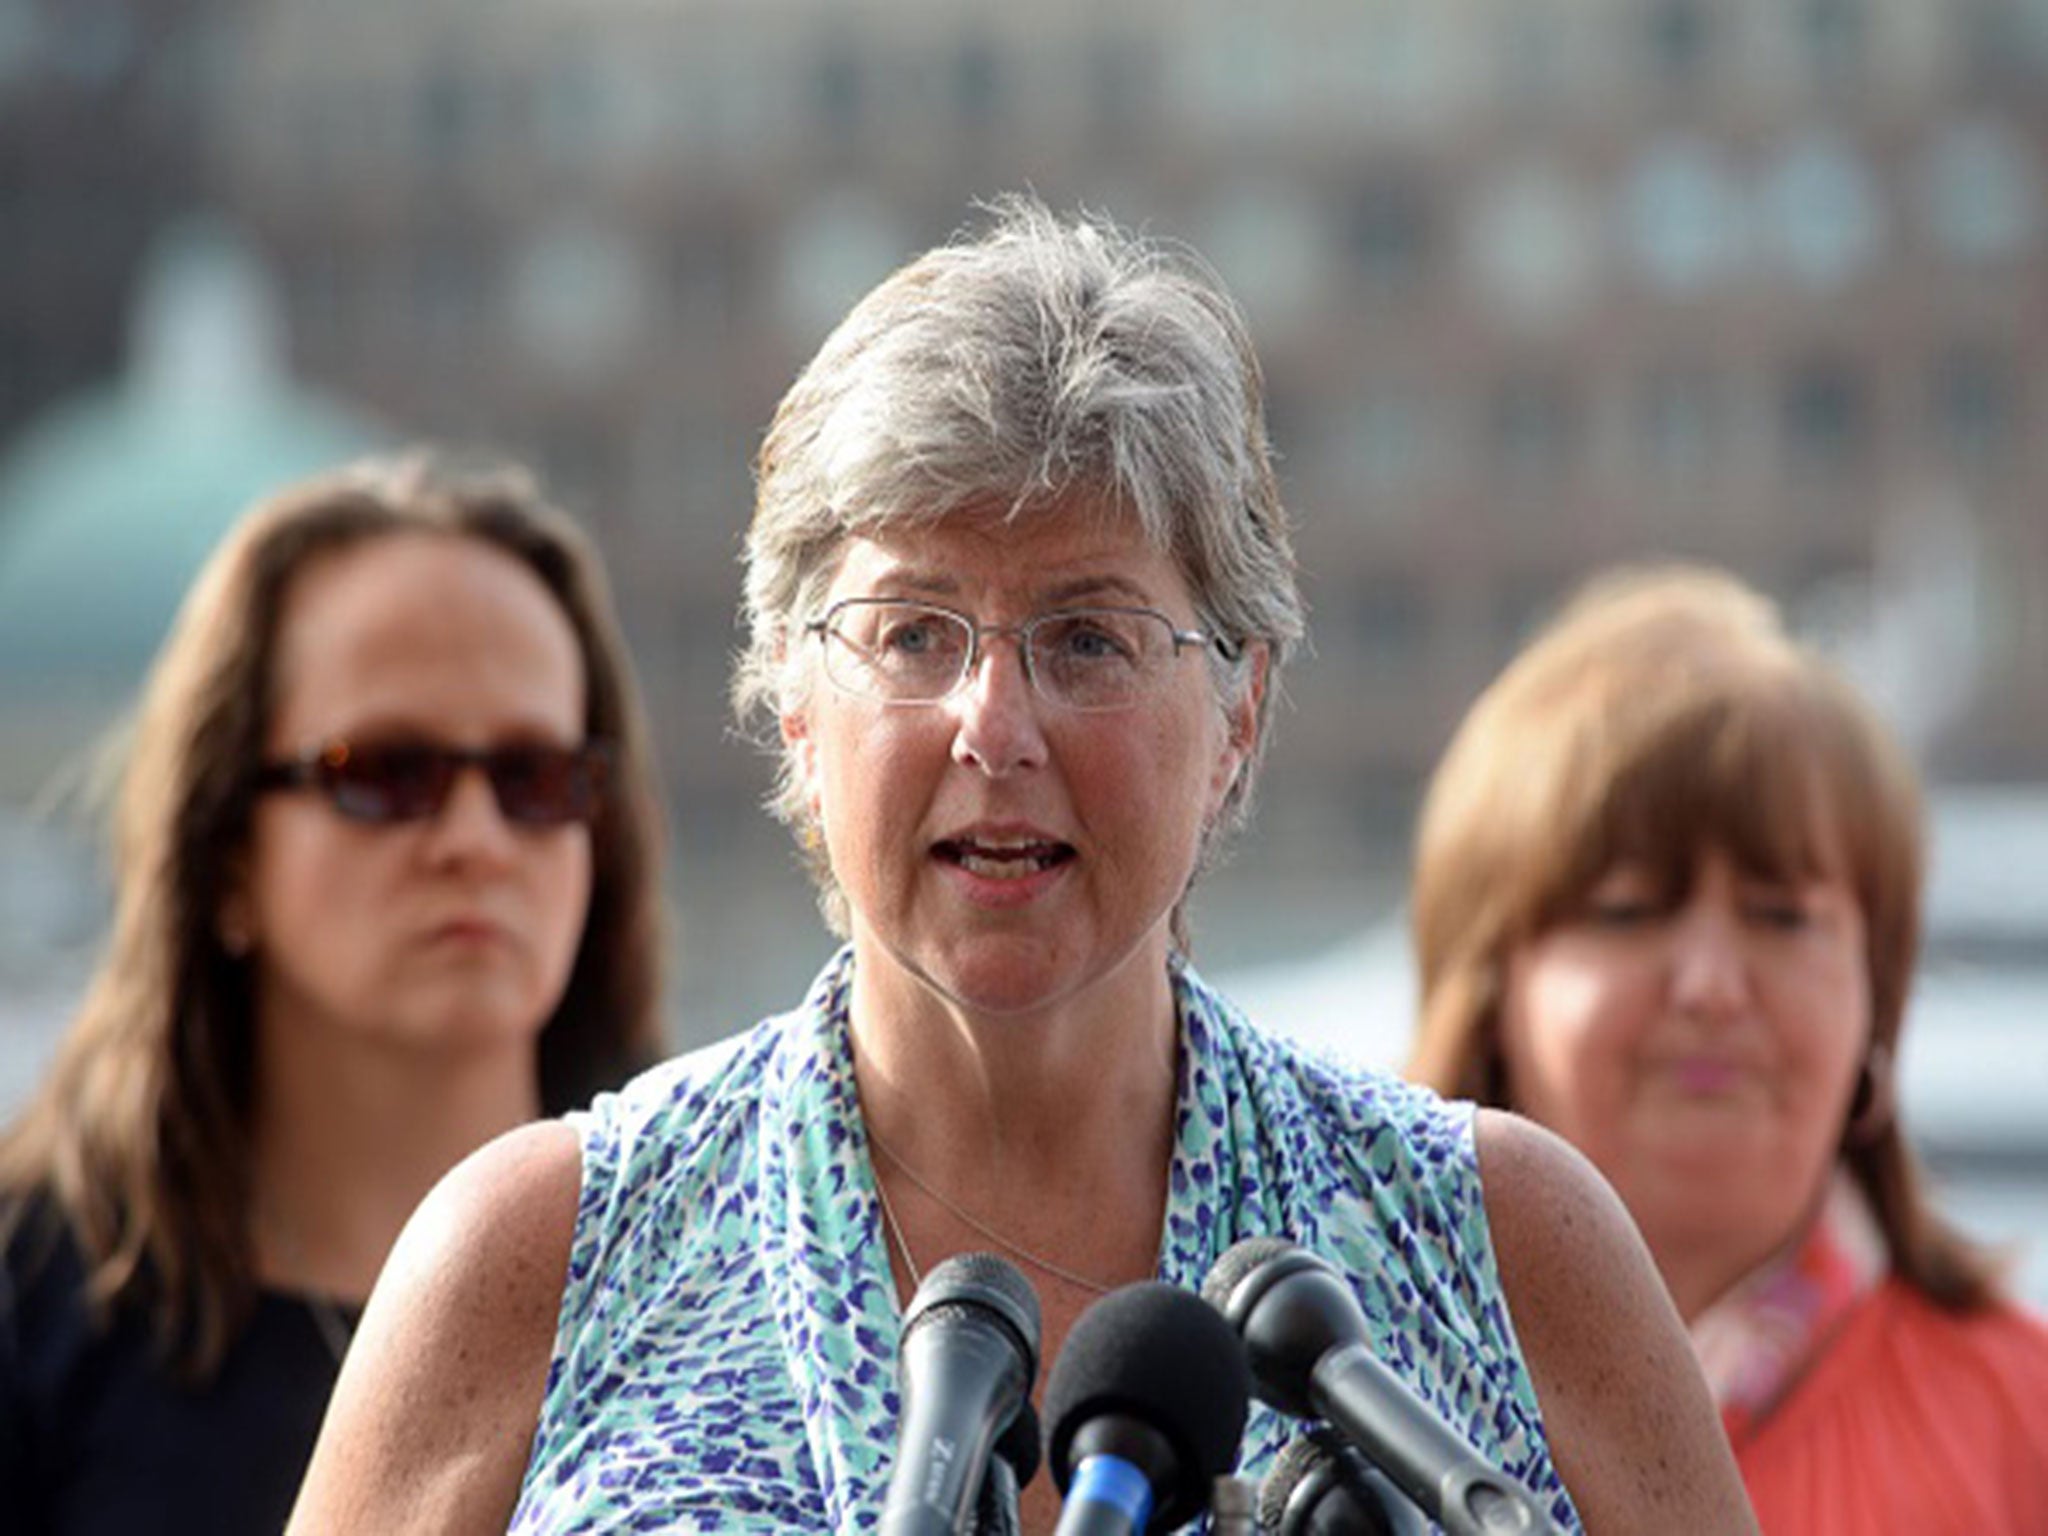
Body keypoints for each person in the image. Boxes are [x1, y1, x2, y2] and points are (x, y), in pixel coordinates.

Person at [288, 200, 1754, 1535]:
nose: (995, 727)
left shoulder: (1501, 1244)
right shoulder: (537, 1259)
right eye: (916, 633)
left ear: (1239, 711)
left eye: (1087, 638)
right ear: (797, 705)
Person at [0, 453, 669, 1536]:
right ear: (224, 856)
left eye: (534, 779)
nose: (473, 841)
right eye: (383, 773)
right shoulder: (32, 1308)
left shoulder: (736, 1271)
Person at [1407, 565, 2048, 1533]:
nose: (1710, 984)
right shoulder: (1338, 1406)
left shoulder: (2021, 1421)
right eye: (1628, 913)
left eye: (1782, 918)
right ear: (1489, 998)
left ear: (1875, 1006)